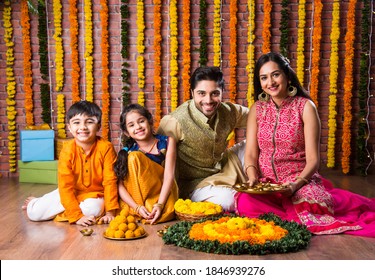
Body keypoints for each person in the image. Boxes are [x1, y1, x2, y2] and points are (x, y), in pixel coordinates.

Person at [237, 52, 375, 236]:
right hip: (268, 184)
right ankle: (289, 220)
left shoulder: (305, 107)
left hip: (300, 181)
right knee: (245, 201)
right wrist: (253, 178)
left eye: (275, 74)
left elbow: (313, 160)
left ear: (287, 75)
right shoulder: (257, 109)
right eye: (264, 78)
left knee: (308, 207)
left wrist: (295, 185)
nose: (270, 82)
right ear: (260, 82)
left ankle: (293, 219)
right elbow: (251, 154)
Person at [157, 66, 249, 212]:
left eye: (214, 94)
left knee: (257, 141)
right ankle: (240, 192)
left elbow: (259, 118)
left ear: (222, 93)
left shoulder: (228, 111)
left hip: (224, 168)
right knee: (229, 201)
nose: (208, 100)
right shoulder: (175, 121)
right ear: (192, 92)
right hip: (195, 184)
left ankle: (273, 184)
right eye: (201, 93)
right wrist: (161, 202)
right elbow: (156, 160)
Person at [22, 101, 119, 227]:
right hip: (72, 192)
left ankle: (62, 210)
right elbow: (65, 185)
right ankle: (36, 202)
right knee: (34, 213)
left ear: (98, 126)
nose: (83, 127)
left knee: (93, 210)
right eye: (76, 122)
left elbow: (110, 181)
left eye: (89, 122)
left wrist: (110, 212)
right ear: (69, 127)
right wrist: (77, 216)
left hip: (96, 195)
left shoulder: (106, 148)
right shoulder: (67, 150)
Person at [114, 104, 178, 224]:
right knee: (133, 157)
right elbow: (120, 186)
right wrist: (137, 207)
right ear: (126, 132)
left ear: (149, 121)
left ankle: (153, 209)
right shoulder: (129, 152)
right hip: (139, 200)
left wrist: (159, 205)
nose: (138, 127)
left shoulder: (167, 142)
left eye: (141, 121)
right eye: (131, 125)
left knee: (164, 210)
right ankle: (143, 210)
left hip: (162, 194)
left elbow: (169, 176)